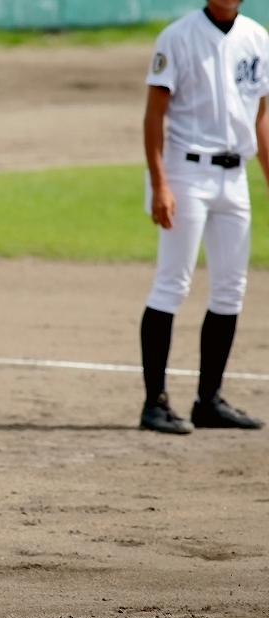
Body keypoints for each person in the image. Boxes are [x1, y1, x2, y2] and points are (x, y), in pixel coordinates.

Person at [140, 0, 267, 433]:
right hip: (185, 173)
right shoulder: (177, 37)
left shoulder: (257, 37)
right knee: (173, 283)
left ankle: (208, 401)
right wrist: (160, 184)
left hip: (236, 178)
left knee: (231, 288)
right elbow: (154, 115)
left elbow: (261, 117)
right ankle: (154, 403)